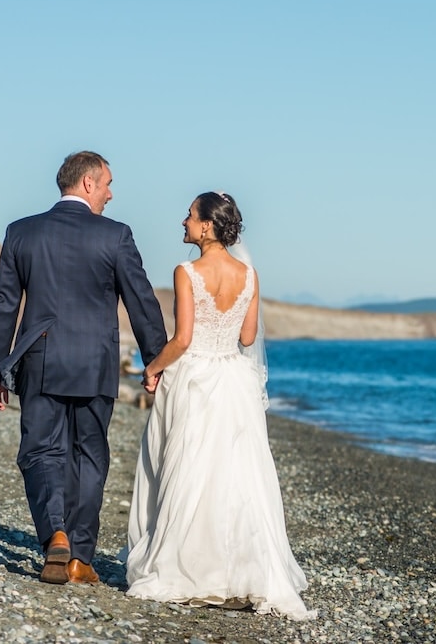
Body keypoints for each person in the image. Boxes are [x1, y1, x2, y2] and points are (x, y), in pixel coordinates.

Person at [124, 192, 316, 620]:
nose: (184, 221)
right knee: (237, 475)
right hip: (233, 380)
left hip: (196, 379)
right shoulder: (249, 275)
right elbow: (247, 338)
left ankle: (187, 568)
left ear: (207, 225)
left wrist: (152, 368)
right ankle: (243, 571)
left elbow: (182, 340)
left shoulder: (186, 272)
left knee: (189, 469)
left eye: (190, 215)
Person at [0, 151, 168, 586]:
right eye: (107, 183)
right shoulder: (116, 235)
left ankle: (56, 534)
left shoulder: (21, 232)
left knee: (40, 450)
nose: (110, 193)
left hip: (40, 360)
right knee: (90, 454)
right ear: (88, 183)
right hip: (95, 362)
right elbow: (141, 302)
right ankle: (80, 558)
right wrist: (156, 360)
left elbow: (4, 304)